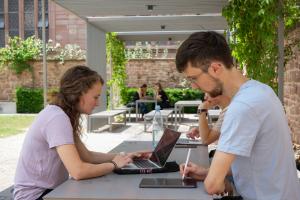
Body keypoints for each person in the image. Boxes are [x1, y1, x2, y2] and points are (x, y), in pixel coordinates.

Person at [176, 31, 300, 199]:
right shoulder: (261, 90)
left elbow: (212, 186)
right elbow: (252, 162)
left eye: (194, 78)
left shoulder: (243, 107)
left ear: (215, 68)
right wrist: (207, 172)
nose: (194, 86)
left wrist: (214, 178)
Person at [14, 66, 149, 200]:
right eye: (95, 97)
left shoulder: (62, 115)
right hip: (36, 196)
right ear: (78, 94)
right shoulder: (57, 118)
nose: (98, 103)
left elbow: (87, 156)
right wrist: (114, 165)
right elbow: (78, 171)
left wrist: (124, 156)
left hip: (50, 191)